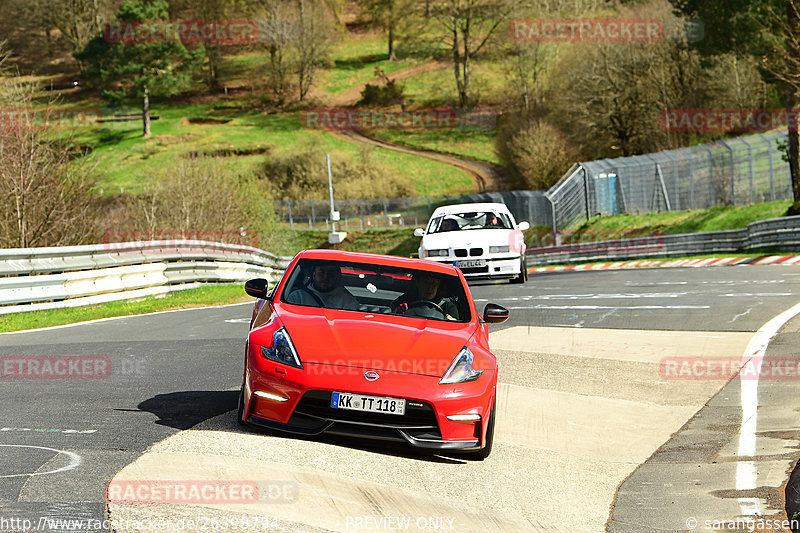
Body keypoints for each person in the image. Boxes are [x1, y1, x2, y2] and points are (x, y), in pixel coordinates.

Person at [286, 263, 359, 310]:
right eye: (321, 272)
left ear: (337, 277)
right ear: (314, 275)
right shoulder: (296, 297)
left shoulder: (348, 302)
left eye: (331, 273)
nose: (325, 277)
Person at [391, 273, 458, 320]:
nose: (429, 288)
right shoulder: (402, 302)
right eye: (426, 283)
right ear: (417, 283)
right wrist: (396, 312)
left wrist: (451, 320)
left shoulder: (448, 307)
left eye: (434, 284)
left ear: (438, 285)